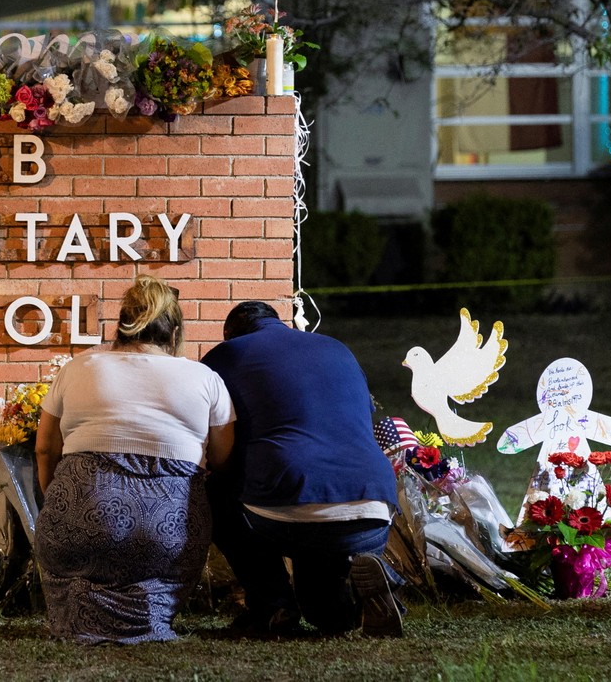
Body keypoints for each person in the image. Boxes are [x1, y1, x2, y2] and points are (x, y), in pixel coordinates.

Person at [33, 274, 235, 644]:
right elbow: (223, 459)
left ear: (121, 328)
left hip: (79, 516)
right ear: (174, 334)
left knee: (77, 551)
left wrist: (56, 505)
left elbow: (45, 448)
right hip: (167, 529)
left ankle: (78, 621)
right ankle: (148, 620)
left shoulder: (79, 367)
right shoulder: (205, 378)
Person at [201, 300, 403, 638]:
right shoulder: (336, 347)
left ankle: (272, 606)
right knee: (326, 617)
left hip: (291, 506)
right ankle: (363, 595)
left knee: (216, 489)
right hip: (374, 506)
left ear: (231, 334)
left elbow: (215, 436)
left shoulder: (227, 355)